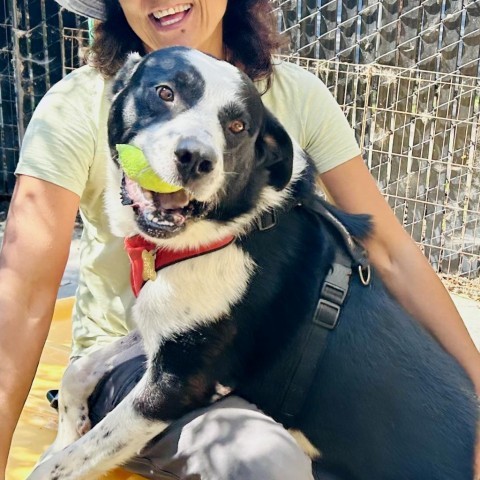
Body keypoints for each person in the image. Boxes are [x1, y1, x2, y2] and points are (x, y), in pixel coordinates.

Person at [1, 0, 479, 478]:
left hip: (260, 359)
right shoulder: (76, 104)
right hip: (141, 369)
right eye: (164, 93)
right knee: (262, 460)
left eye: (233, 128)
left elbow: (390, 251)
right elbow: (20, 297)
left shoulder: (296, 95)